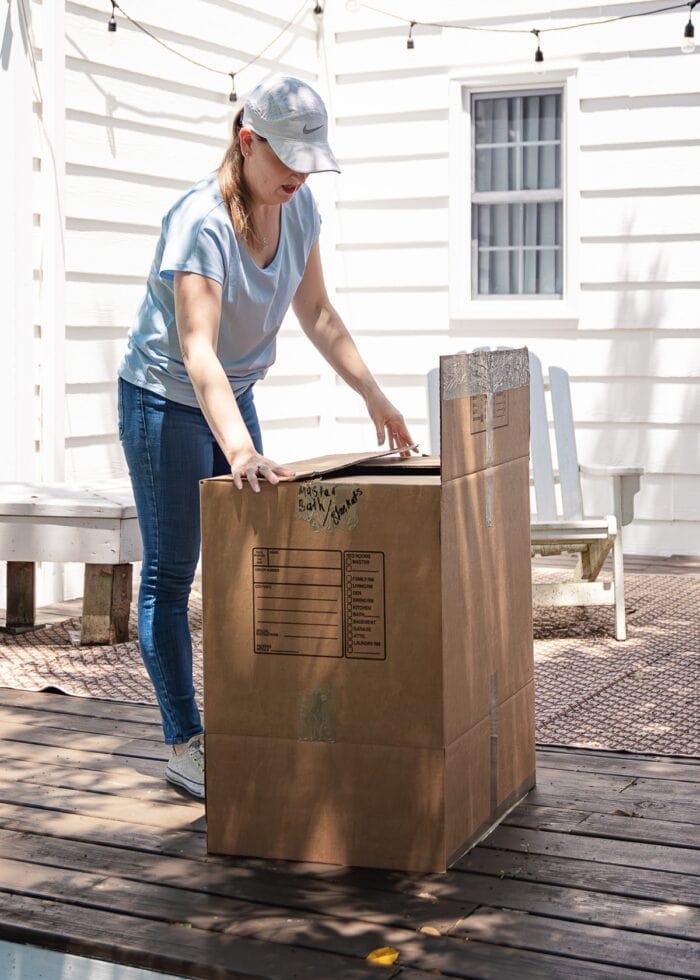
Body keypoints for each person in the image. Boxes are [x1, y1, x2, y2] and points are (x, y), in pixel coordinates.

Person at [117, 75, 414, 800]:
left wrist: (374, 393)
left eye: (310, 158)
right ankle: (186, 740)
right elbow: (197, 350)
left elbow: (317, 313)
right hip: (165, 399)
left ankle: (251, 716)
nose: (300, 173)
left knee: (257, 565)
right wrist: (241, 450)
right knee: (171, 570)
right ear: (247, 143)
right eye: (288, 158)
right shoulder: (202, 222)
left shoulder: (300, 205)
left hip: (235, 393)